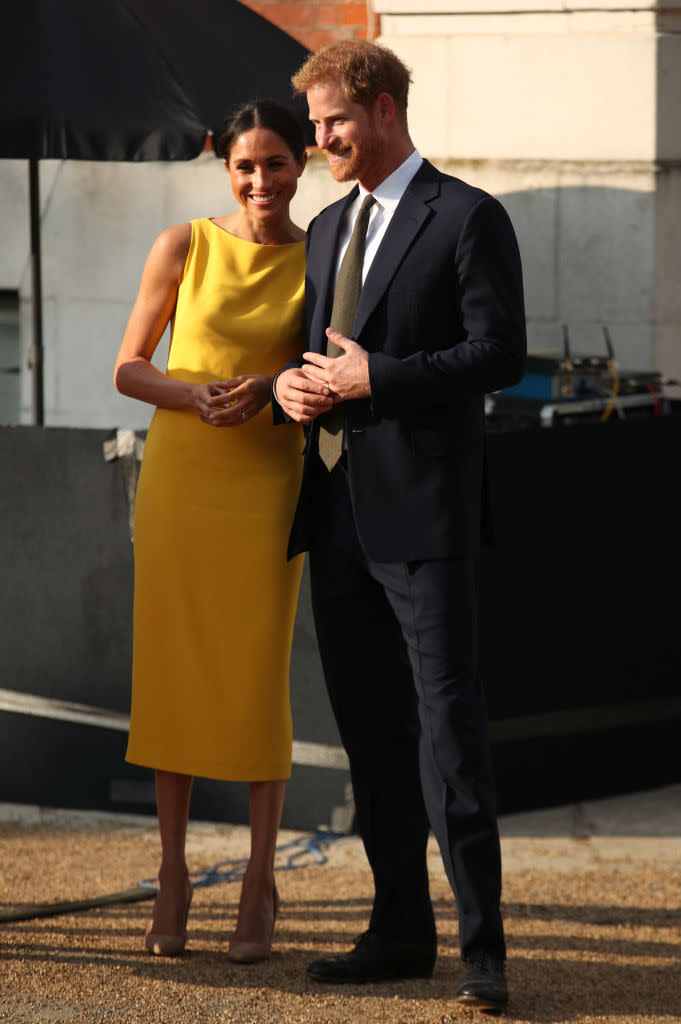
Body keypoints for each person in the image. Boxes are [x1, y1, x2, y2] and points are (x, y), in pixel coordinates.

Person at [273, 40, 526, 1013]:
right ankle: (399, 931)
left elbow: (499, 352)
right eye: (316, 124)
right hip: (334, 515)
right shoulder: (329, 228)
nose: (320, 139)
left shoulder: (468, 216)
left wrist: (384, 377)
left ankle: (484, 953)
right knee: (374, 740)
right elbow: (317, 355)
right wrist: (295, 385)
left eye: (333, 120)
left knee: (448, 738)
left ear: (382, 110)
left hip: (425, 522)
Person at [114, 99, 308, 963]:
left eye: (274, 163)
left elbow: (323, 371)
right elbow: (127, 367)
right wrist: (189, 393)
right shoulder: (183, 246)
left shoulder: (325, 255)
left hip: (269, 483)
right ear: (223, 169)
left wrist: (271, 386)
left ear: (301, 163)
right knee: (173, 671)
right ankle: (173, 872)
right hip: (183, 485)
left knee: (257, 675)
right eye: (244, 166)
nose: (259, 180)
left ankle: (261, 878)